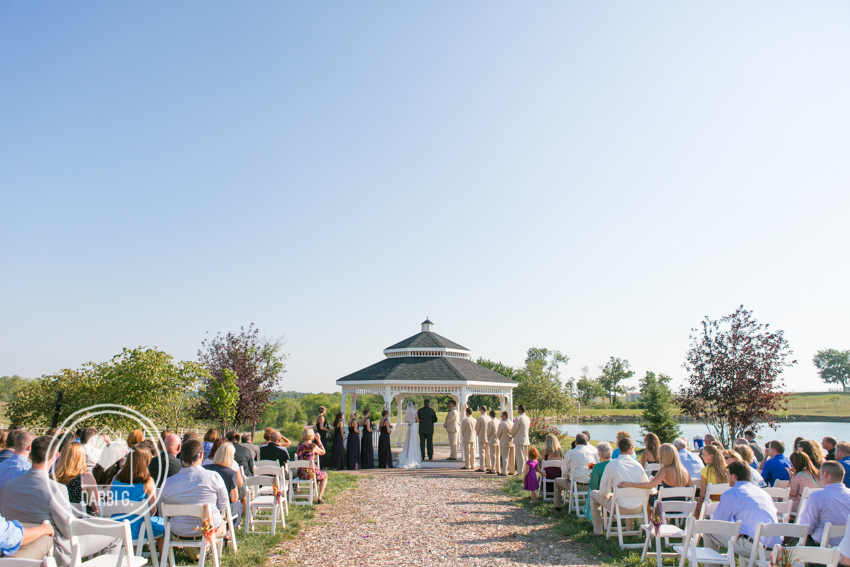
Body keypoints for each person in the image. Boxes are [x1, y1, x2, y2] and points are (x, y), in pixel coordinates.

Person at [0, 435, 116, 566]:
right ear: (55, 456)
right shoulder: (55, 489)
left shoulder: (7, 486)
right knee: (117, 532)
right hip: (55, 549)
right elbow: (68, 529)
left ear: (30, 455)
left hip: (14, 547)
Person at [159, 438, 228, 561]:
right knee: (221, 520)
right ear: (201, 455)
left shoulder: (168, 483)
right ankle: (205, 551)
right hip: (209, 529)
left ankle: (197, 553)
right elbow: (224, 505)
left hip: (178, 533)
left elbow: (161, 509)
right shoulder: (213, 477)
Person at [706, 460, 779, 562]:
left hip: (754, 548)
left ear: (734, 476)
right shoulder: (763, 493)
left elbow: (718, 523)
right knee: (743, 532)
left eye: (728, 475)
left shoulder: (732, 493)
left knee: (709, 529)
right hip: (776, 549)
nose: (727, 478)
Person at [588, 437, 648, 535]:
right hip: (638, 507)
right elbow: (646, 485)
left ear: (619, 449)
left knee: (594, 494)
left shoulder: (612, 465)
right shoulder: (638, 466)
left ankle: (598, 530)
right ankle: (630, 529)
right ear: (630, 449)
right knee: (628, 497)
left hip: (619, 508)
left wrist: (610, 495)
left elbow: (603, 491)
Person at [110, 446, 166, 548]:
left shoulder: (115, 478)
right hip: (138, 530)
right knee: (163, 525)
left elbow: (112, 500)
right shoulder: (147, 481)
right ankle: (162, 560)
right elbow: (152, 510)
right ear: (147, 461)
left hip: (116, 528)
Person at [619, 443, 691, 508]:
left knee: (648, 498)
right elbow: (690, 487)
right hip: (682, 506)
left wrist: (629, 484)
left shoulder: (665, 470)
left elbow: (650, 485)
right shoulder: (685, 471)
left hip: (666, 506)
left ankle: (651, 521)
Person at [797, 461, 850, 546]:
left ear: (825, 474)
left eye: (820, 474)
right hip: (846, 547)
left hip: (823, 547)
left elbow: (806, 528)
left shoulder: (817, 497)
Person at [202, 443, 244, 527]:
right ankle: (228, 530)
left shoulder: (205, 468)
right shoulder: (230, 473)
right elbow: (234, 498)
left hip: (205, 505)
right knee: (238, 505)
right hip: (223, 508)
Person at [53, 442, 99, 517]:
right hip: (82, 523)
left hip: (58, 521)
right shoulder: (86, 478)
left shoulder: (52, 478)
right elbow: (96, 507)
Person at [295, 430, 328, 504]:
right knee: (324, 476)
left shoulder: (299, 446)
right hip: (310, 473)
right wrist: (319, 441)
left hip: (301, 473)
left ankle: (309, 494)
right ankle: (320, 496)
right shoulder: (312, 446)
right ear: (311, 436)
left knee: (316, 476)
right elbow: (323, 452)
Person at [397, 402, 422, 469]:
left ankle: (407, 457)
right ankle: (413, 457)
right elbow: (417, 420)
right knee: (414, 441)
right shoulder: (415, 411)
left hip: (409, 426)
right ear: (413, 405)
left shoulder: (407, 412)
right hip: (414, 425)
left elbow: (406, 420)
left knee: (408, 441)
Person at [510, 405, 531, 476]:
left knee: (520, 456)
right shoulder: (527, 418)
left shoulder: (518, 419)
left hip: (519, 439)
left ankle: (520, 471)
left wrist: (512, 434)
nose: (517, 410)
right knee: (525, 456)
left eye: (518, 409)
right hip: (526, 439)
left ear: (520, 410)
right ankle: (526, 470)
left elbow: (514, 429)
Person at [496, 411, 515, 476]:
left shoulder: (502, 424)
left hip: (504, 442)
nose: (501, 417)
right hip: (511, 442)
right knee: (512, 458)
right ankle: (512, 470)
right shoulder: (512, 423)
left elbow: (498, 434)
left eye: (502, 416)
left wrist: (500, 438)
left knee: (505, 457)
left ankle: (504, 471)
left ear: (504, 416)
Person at [474, 406, 491, 472]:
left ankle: (482, 467)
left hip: (482, 436)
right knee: (488, 452)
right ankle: (489, 466)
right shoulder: (489, 418)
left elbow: (477, 428)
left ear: (482, 410)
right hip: (488, 437)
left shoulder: (480, 418)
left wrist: (478, 434)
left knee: (482, 452)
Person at [486, 410, 500, 474]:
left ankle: (493, 468)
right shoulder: (498, 421)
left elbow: (489, 432)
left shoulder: (491, 422)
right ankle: (498, 468)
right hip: (498, 440)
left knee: (493, 455)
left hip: (492, 440)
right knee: (497, 455)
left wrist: (487, 437)